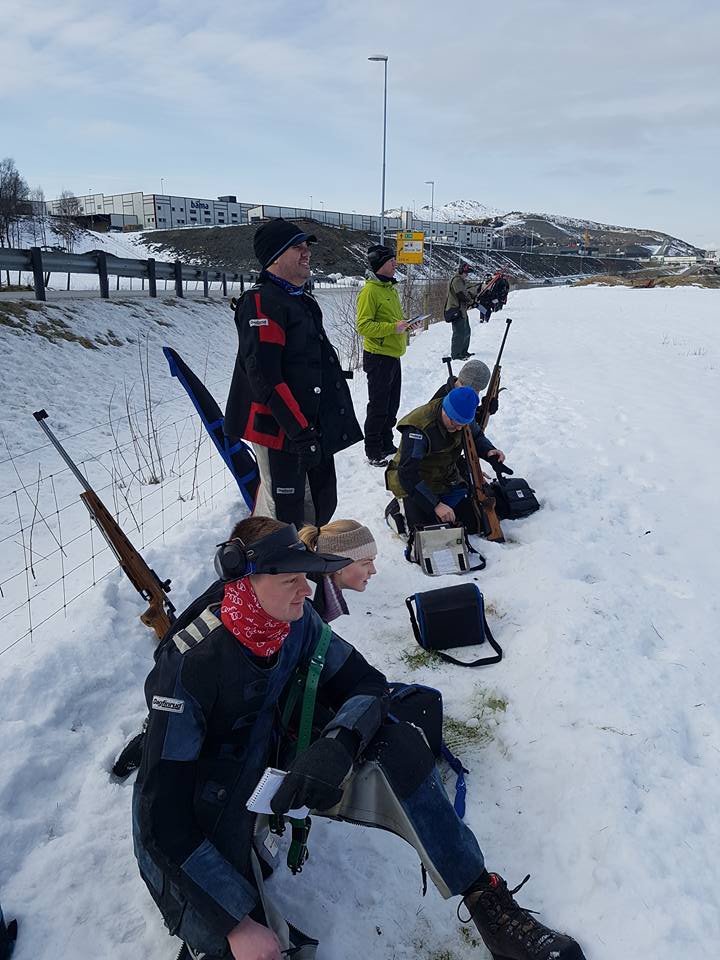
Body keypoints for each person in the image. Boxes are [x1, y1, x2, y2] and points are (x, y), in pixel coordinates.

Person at [132, 516, 587, 960]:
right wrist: (236, 924)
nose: (306, 590)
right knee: (246, 942)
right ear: (245, 583)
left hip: (271, 764)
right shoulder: (190, 664)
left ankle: (486, 900)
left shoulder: (295, 621)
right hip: (201, 807)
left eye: (305, 577)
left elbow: (367, 683)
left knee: (398, 744)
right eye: (291, 580)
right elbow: (163, 819)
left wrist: (338, 744)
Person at [224, 219, 363, 528]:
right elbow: (265, 376)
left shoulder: (302, 300)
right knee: (284, 515)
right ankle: (278, 557)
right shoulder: (261, 303)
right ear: (275, 257)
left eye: (307, 247)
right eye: (297, 248)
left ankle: (308, 551)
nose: (306, 253)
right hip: (281, 430)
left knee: (323, 501)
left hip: (311, 426)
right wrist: (300, 433)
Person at [386, 386, 486, 533]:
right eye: (454, 423)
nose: (459, 428)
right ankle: (396, 510)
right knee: (425, 532)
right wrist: (436, 505)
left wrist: (490, 451)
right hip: (414, 483)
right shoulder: (419, 427)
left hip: (444, 478)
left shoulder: (462, 417)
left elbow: (476, 436)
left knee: (473, 522)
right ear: (445, 410)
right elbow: (407, 474)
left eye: (463, 424)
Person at [356, 244, 409, 466]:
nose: (395, 263)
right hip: (378, 356)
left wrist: (406, 325)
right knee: (378, 406)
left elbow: (392, 321)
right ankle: (373, 450)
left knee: (391, 405)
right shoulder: (370, 291)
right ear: (381, 264)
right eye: (391, 260)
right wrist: (393, 328)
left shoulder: (390, 288)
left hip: (393, 354)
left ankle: (387, 443)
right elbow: (363, 326)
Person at [432, 358, 506, 466]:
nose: (476, 394)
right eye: (476, 390)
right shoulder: (441, 403)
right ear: (464, 386)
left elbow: (472, 430)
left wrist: (483, 410)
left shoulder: (463, 396)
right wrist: (460, 466)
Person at [298, 520, 378, 621]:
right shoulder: (306, 603)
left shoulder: (317, 590)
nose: (373, 570)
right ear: (339, 564)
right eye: (366, 563)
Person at [445, 262, 478, 360]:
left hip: (462, 310)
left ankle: (463, 352)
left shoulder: (461, 281)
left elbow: (465, 293)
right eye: (465, 273)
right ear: (461, 271)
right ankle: (456, 355)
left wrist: (473, 295)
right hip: (456, 310)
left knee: (466, 331)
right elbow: (461, 295)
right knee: (459, 333)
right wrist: (471, 301)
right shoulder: (457, 280)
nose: (467, 275)